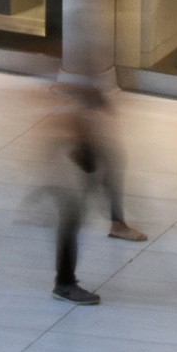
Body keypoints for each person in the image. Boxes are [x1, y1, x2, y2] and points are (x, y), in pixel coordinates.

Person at [46, 86, 147, 305]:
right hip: (73, 148)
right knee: (71, 215)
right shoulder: (68, 72)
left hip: (80, 145)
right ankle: (64, 283)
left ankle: (117, 222)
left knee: (108, 168)